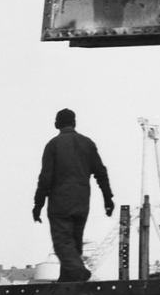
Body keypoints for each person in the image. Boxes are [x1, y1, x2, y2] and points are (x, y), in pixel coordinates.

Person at [32, 108, 114, 282]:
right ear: (74, 123)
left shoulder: (53, 145)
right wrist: (108, 198)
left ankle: (79, 273)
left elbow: (45, 178)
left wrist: (38, 205)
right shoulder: (87, 144)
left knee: (62, 243)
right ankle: (67, 283)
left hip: (60, 202)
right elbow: (101, 173)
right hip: (82, 202)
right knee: (74, 246)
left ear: (56, 124)